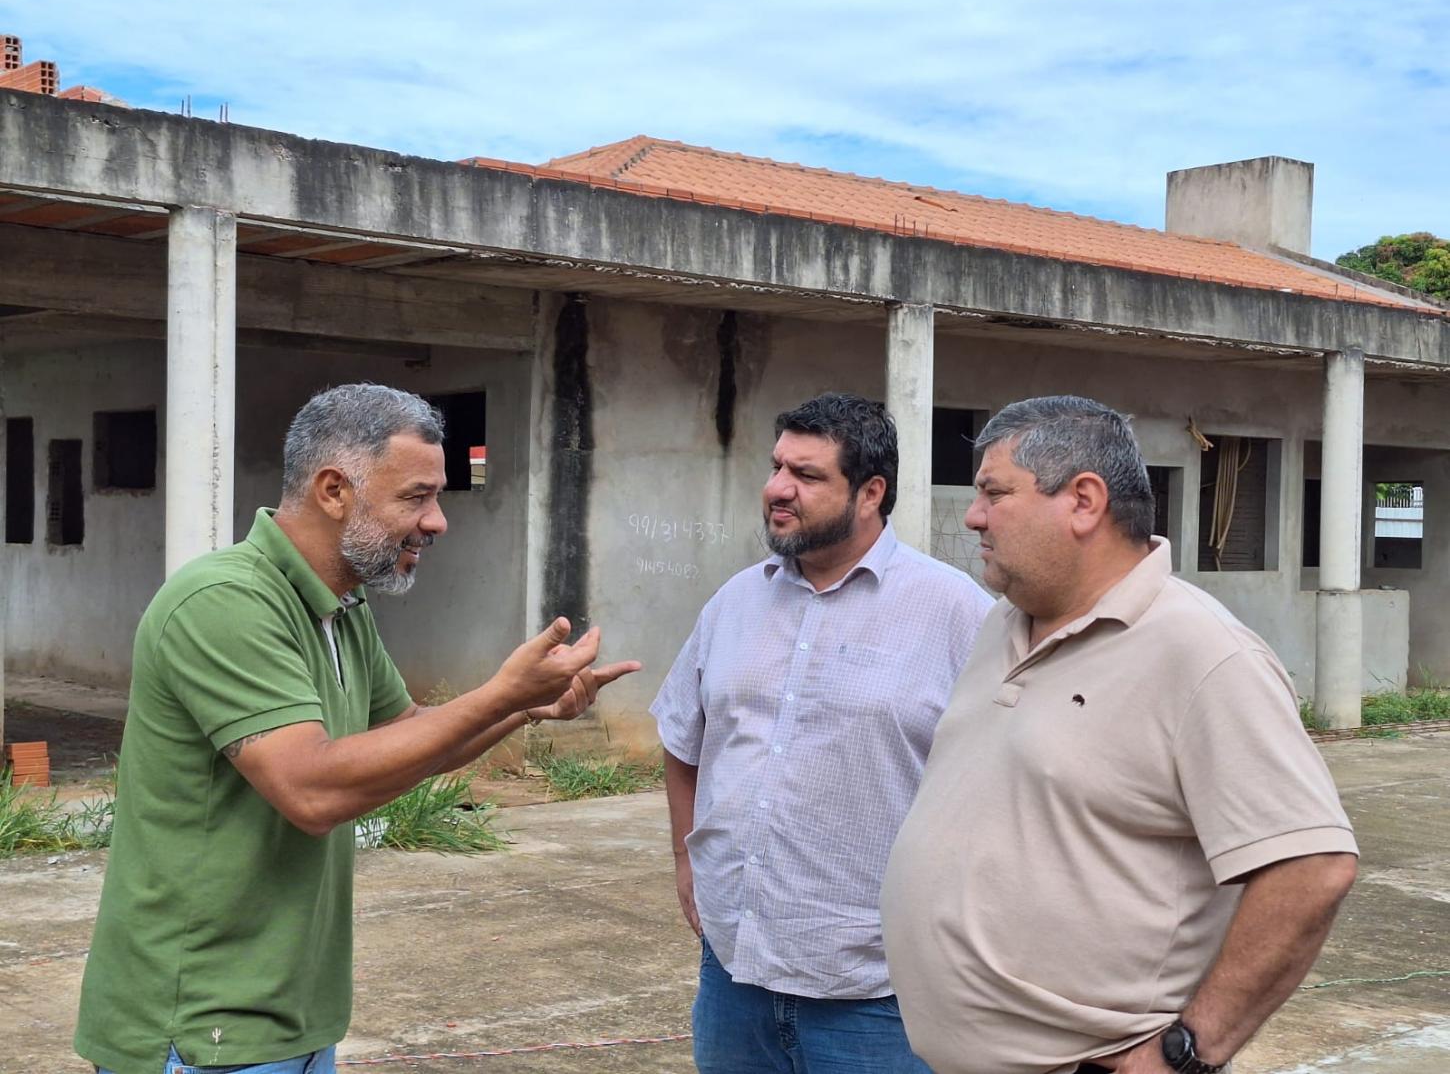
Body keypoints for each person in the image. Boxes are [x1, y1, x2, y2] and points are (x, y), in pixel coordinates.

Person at [75, 383, 639, 1074]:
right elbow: (312, 791)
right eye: (415, 497)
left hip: (296, 1018)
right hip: (199, 1028)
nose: (437, 521)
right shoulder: (223, 602)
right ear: (334, 490)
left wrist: (521, 706)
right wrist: (498, 693)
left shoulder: (342, 606)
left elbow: (410, 737)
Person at [881, 395, 1358, 1074]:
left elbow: (1312, 867)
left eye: (993, 492)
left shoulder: (1203, 652)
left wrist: (1187, 1050)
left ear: (1083, 500)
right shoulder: (1003, 623)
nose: (973, 514)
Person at [652, 392, 994, 1073]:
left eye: (806, 476)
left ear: (871, 493)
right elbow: (681, 736)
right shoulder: (735, 601)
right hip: (734, 976)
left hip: (876, 994)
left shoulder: (958, 613)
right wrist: (687, 859)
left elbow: (1004, 786)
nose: (777, 489)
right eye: (778, 466)